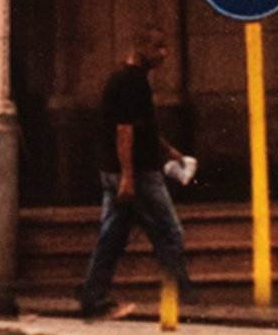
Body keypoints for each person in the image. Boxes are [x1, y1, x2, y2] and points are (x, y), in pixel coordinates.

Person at [78, 25, 198, 319]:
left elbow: (140, 127)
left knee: (112, 236)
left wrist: (168, 150)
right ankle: (183, 299)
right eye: (158, 47)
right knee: (169, 232)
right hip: (138, 174)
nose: (164, 53)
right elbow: (125, 132)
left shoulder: (127, 79)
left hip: (117, 171)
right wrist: (129, 177)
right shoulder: (132, 82)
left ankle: (93, 299)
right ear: (141, 47)